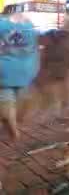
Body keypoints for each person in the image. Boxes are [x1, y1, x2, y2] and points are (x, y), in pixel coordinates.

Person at [0, 13, 39, 142]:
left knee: (7, 103)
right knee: (15, 102)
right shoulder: (30, 28)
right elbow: (35, 50)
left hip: (5, 72)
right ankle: (13, 127)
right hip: (25, 73)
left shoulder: (2, 25)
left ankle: (12, 129)